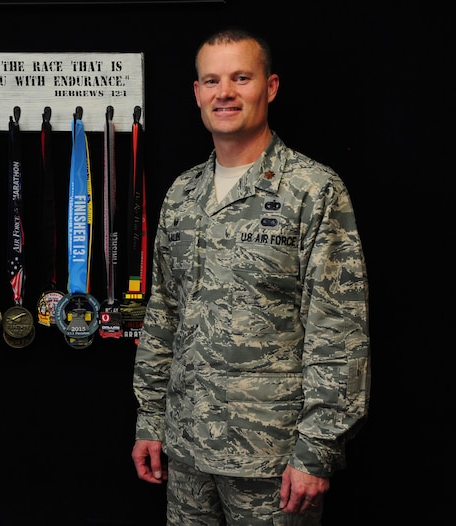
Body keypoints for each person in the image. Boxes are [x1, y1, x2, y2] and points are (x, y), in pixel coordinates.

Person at [131, 27, 370, 526]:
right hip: (187, 449)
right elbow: (163, 317)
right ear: (196, 92)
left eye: (241, 78)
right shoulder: (181, 195)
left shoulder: (312, 190)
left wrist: (317, 448)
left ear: (271, 86)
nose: (225, 93)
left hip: (272, 458)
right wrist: (150, 419)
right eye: (212, 81)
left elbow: (339, 330)